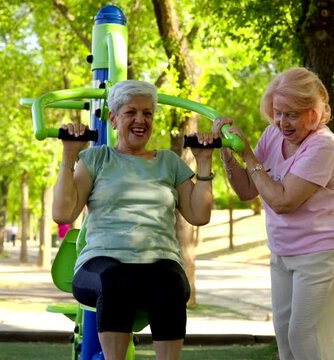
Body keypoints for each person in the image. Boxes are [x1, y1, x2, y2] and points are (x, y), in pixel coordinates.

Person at [52, 80, 216, 360]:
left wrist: (203, 162)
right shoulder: (96, 159)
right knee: (116, 279)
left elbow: (199, 215)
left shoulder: (169, 161)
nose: (141, 120)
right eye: (131, 112)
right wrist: (70, 156)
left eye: (148, 113)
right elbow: (63, 213)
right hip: (101, 263)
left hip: (159, 261)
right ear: (114, 119)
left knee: (171, 284)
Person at [213, 67, 334, 360]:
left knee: (304, 335)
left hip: (320, 253)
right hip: (282, 250)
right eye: (278, 113)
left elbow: (283, 200)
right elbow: (247, 191)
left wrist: (249, 156)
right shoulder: (272, 135)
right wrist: (227, 151)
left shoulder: (322, 146)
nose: (282, 122)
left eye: (292, 114)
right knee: (286, 338)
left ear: (312, 114)